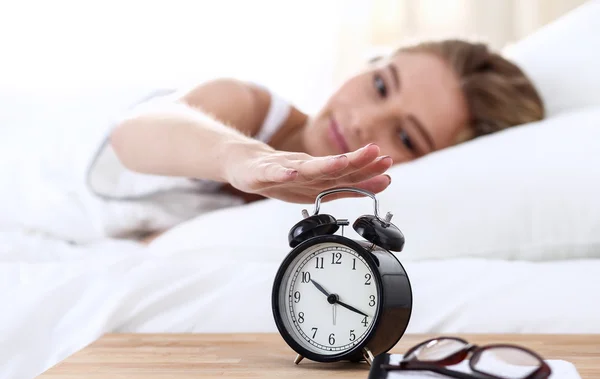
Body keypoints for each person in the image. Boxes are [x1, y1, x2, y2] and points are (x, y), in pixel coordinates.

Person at [87, 39, 544, 241]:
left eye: (405, 136)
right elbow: (133, 134)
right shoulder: (247, 107)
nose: (364, 119)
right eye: (380, 85)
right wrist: (243, 159)